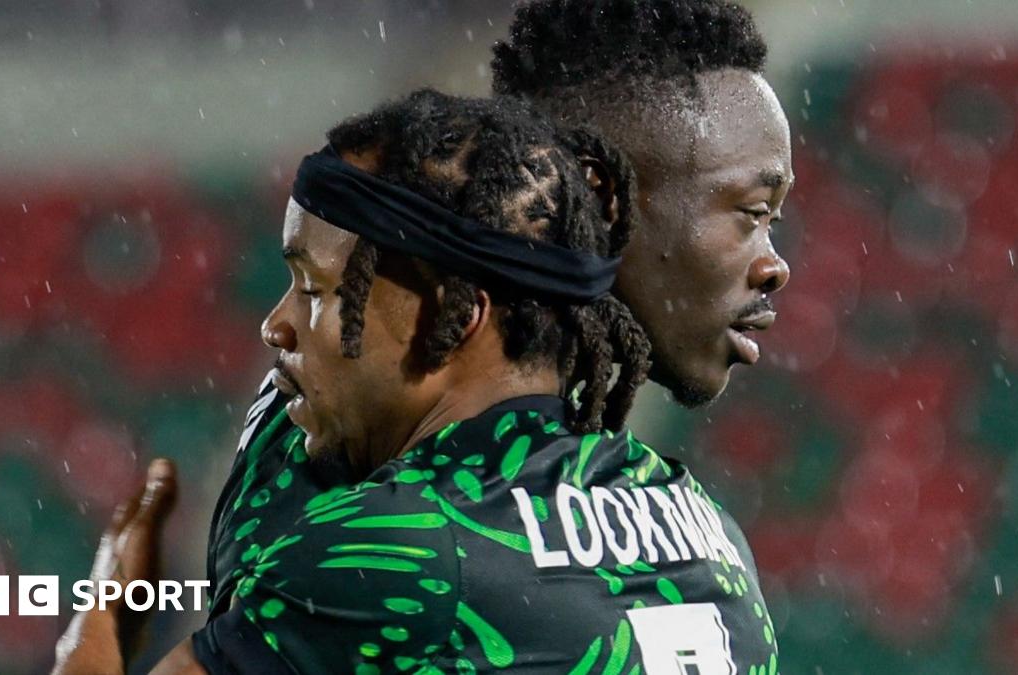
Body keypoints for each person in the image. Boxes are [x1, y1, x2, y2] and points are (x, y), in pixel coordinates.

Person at [53, 90, 777, 675]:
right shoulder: (711, 531)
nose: (278, 324)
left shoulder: (396, 549)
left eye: (314, 286)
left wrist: (104, 614)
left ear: (451, 317)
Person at [493, 0, 794, 406]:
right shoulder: (576, 470)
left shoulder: (412, 447)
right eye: (754, 212)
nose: (775, 269)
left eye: (771, 221)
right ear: (598, 197)